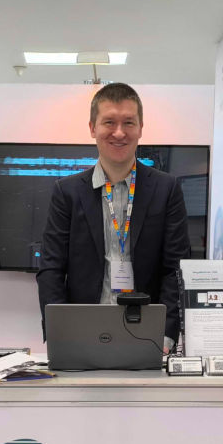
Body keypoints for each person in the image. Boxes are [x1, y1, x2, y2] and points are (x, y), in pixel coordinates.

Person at [36, 82, 191, 351]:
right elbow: (51, 268)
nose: (119, 132)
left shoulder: (166, 189)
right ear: (92, 128)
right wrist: (58, 332)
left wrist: (166, 334)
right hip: (81, 331)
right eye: (109, 122)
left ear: (141, 128)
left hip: (147, 332)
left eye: (129, 122)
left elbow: (175, 268)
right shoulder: (67, 192)